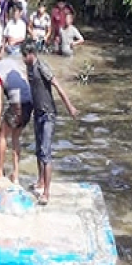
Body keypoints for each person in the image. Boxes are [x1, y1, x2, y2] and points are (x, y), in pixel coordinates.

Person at [22, 41, 79, 206]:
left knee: (46, 153)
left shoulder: (42, 67)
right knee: (39, 150)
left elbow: (58, 87)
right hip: (38, 113)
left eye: (25, 56)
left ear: (32, 54)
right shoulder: (29, 68)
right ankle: (40, 181)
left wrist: (70, 108)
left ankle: (46, 192)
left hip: (48, 115)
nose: (23, 59)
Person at [0, 51, 33, 182]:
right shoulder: (10, 62)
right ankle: (15, 174)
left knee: (2, 136)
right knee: (15, 137)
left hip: (17, 105)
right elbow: (26, 78)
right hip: (29, 102)